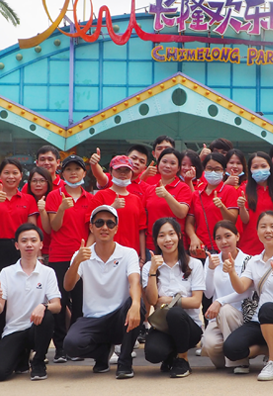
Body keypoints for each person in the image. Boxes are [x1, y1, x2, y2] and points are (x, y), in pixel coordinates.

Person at [64, 205, 145, 379]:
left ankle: (125, 362)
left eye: (110, 223)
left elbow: (134, 282)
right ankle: (102, 353)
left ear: (116, 228)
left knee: (138, 304)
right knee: (70, 345)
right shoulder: (82, 254)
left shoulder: (128, 253)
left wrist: (136, 305)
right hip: (92, 318)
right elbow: (68, 286)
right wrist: (76, 262)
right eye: (99, 223)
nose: (104, 227)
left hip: (119, 318)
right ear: (91, 227)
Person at [222, 211, 273, 381]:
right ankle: (270, 349)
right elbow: (241, 288)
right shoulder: (254, 261)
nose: (268, 231)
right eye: (263, 226)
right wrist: (232, 273)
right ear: (257, 231)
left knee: (268, 308)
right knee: (231, 349)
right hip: (261, 320)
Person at [0, 223, 60, 381]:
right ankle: (22, 355)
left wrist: (43, 306)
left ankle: (38, 361)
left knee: (47, 315)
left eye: (33, 240)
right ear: (17, 245)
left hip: (36, 328)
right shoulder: (7, 272)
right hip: (14, 330)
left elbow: (57, 305)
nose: (29, 244)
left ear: (41, 244)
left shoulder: (48, 272)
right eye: (24, 241)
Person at [142, 218, 206, 378]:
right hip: (163, 326)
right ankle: (172, 354)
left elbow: (196, 302)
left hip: (189, 327)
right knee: (153, 353)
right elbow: (152, 300)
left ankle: (183, 359)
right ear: (156, 240)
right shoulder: (149, 266)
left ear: (179, 236)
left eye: (171, 234)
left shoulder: (195, 264)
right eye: (162, 235)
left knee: (175, 313)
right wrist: (153, 271)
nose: (168, 239)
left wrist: (170, 301)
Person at [45, 155, 94, 362]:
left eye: (77, 169)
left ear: (84, 172)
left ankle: (75, 345)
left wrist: (86, 251)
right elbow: (54, 227)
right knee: (60, 301)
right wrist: (62, 209)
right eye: (68, 169)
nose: (73, 173)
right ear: (62, 173)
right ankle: (60, 347)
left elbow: (93, 229)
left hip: (82, 257)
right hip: (59, 256)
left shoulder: (90, 198)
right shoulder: (54, 196)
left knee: (80, 303)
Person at [202, 221, 252, 371]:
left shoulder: (249, 260)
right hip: (217, 318)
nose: (223, 241)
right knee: (210, 344)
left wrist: (220, 302)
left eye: (228, 236)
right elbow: (208, 293)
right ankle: (231, 358)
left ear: (237, 236)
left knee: (226, 310)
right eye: (218, 238)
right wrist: (211, 269)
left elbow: (246, 291)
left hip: (241, 315)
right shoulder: (211, 260)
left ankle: (239, 361)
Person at [0, 158, 39, 271]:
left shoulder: (29, 199)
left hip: (20, 247)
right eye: (6, 173)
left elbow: (33, 228)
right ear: (0, 175)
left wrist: (37, 254)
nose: (11, 177)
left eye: (15, 173)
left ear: (21, 176)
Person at [88, 155, 147, 258]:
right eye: (118, 170)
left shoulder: (136, 199)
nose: (122, 173)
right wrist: (111, 208)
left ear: (132, 173)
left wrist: (142, 256)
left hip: (131, 255)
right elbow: (93, 226)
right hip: (104, 255)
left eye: (126, 170)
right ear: (111, 172)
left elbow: (141, 230)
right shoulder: (100, 196)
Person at [187, 153, 240, 256]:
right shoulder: (197, 194)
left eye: (217, 169)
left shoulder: (229, 191)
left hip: (223, 247)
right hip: (201, 248)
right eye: (209, 168)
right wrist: (193, 237)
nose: (213, 172)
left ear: (224, 172)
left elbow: (232, 220)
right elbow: (189, 222)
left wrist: (221, 207)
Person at [143, 148, 193, 249]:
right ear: (158, 164)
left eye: (172, 163)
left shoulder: (183, 188)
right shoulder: (149, 189)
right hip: (152, 244)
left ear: (178, 168)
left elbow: (182, 213)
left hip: (175, 244)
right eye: (164, 162)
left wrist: (166, 195)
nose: (167, 166)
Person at [239, 152, 273, 256]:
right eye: (255, 167)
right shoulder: (243, 190)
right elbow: (245, 220)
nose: (260, 170)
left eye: (263, 166)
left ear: (270, 167)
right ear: (250, 170)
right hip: (249, 247)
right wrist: (241, 207)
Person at [24, 166, 54, 261]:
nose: (38, 184)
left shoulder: (54, 200)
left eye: (42, 181)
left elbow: (50, 229)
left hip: (51, 252)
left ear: (48, 183)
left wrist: (43, 211)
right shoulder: (25, 201)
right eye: (34, 181)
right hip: (30, 252)